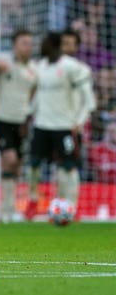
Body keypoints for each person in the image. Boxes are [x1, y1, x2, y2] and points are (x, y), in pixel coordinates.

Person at [26, 32, 95, 219]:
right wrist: (29, 115)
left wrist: (78, 122)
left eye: (46, 44)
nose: (42, 48)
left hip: (65, 126)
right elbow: (37, 96)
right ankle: (32, 200)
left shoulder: (74, 68)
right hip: (41, 125)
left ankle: (71, 206)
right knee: (33, 164)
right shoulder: (39, 67)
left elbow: (89, 101)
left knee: (68, 166)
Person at [0, 30, 37, 223]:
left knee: (17, 166)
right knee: (8, 160)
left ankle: (10, 210)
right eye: (23, 43)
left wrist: (27, 117)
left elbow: (32, 94)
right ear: (15, 45)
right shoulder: (4, 62)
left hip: (21, 121)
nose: (27, 47)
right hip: (2, 119)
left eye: (29, 43)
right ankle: (4, 208)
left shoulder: (34, 70)